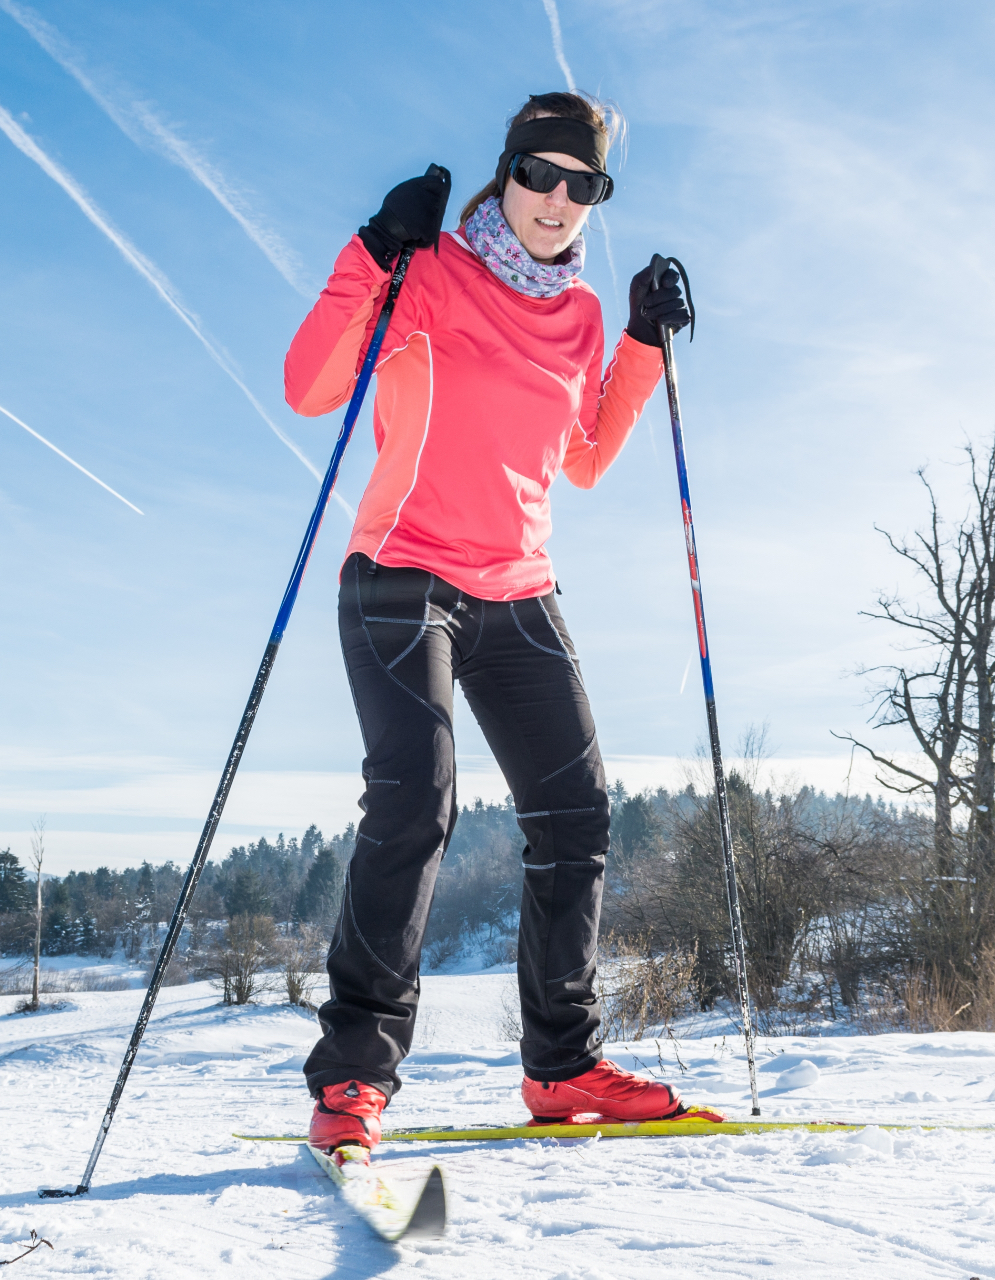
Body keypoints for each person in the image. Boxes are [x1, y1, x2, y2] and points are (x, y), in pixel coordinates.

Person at [282, 92, 705, 1159]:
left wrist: (642, 344)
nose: (557, 199)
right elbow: (308, 386)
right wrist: (372, 249)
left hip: (517, 584)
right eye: (539, 173)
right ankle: (351, 1077)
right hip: (400, 574)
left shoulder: (574, 317)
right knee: (416, 797)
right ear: (505, 169)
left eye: (583, 184)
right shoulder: (422, 270)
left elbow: (585, 457)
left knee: (576, 814)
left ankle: (561, 1064)